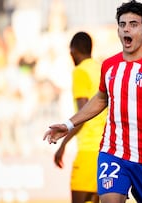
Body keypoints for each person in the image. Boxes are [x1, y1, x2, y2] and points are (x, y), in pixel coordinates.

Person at [43, 1, 142, 203]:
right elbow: (101, 99)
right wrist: (68, 124)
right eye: (122, 24)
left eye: (133, 24)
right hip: (113, 153)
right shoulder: (109, 66)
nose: (126, 28)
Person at [54, 32, 106, 203]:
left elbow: (83, 116)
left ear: (74, 51)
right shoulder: (101, 68)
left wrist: (63, 144)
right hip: (105, 151)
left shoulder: (80, 71)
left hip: (88, 150)